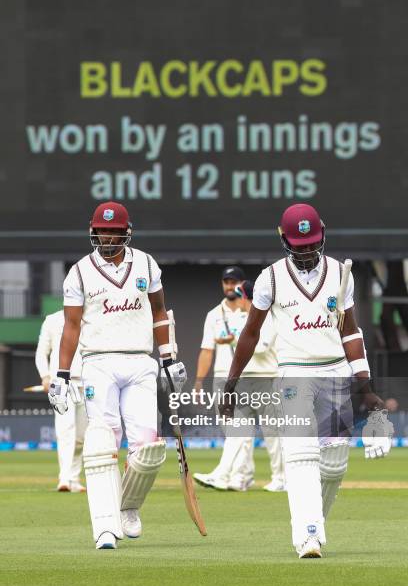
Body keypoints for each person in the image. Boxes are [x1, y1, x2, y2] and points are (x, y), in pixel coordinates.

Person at [221, 203, 392, 558]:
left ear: (323, 235)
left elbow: (350, 332)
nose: (307, 253)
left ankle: (314, 524)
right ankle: (308, 535)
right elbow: (250, 334)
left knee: (334, 462)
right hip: (294, 374)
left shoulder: (341, 273)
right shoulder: (270, 278)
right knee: (299, 455)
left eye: (312, 244)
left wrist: (366, 387)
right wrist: (230, 383)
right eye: (299, 247)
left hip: (335, 374)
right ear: (283, 240)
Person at [48, 201, 186, 550]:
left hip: (140, 361)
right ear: (93, 231)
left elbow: (158, 313)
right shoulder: (79, 272)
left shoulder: (146, 263)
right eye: (102, 230)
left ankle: (128, 505)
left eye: (114, 231)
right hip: (98, 362)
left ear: (126, 232)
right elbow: (72, 325)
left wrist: (168, 358)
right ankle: (105, 527)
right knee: (102, 441)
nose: (107, 237)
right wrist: (62, 375)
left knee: (148, 448)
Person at [193, 271, 284, 492]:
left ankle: (282, 479)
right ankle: (225, 475)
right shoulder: (237, 316)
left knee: (272, 432)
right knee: (238, 432)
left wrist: (235, 340)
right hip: (244, 382)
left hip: (266, 380)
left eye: (241, 295)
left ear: (247, 298)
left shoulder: (267, 316)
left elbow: (261, 347)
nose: (239, 299)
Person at [35, 309, 87, 492]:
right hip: (60, 383)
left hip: (85, 383)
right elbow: (41, 352)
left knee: (81, 436)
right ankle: (64, 478)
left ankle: (73, 478)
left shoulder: (90, 316)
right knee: (66, 431)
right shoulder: (52, 319)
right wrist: (45, 376)